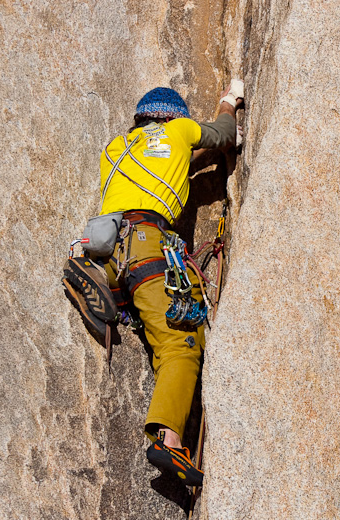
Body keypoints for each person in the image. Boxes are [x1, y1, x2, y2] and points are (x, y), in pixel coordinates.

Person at [62, 81, 244, 486]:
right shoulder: (180, 131)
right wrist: (229, 101)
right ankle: (169, 439)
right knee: (180, 345)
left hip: (106, 242)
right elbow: (223, 135)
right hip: (148, 244)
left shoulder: (116, 147)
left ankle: (94, 275)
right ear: (174, 116)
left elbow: (165, 162)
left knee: (128, 286)